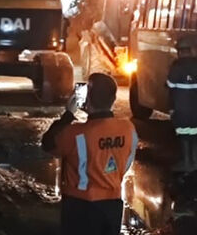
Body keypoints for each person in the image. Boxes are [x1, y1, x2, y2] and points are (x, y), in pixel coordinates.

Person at [41, 73, 138, 235]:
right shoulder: (128, 129)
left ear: (88, 100)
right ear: (113, 99)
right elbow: (127, 162)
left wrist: (68, 115)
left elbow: (48, 143)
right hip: (113, 205)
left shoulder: (75, 133)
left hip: (80, 206)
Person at [168, 36, 197, 174]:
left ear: (179, 52)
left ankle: (186, 162)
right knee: (195, 134)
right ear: (191, 50)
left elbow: (170, 88)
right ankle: (195, 161)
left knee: (184, 136)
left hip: (182, 110)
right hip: (196, 110)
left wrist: (171, 108)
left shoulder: (176, 67)